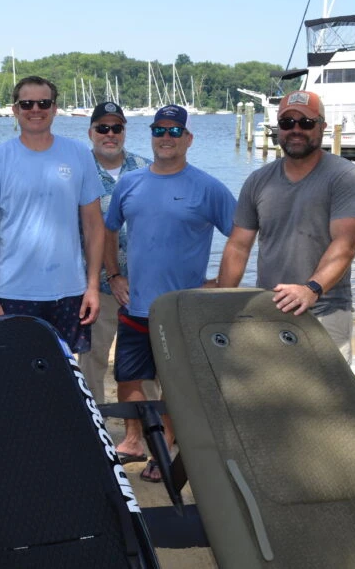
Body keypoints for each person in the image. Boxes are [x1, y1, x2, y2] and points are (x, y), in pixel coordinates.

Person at [104, 104, 235, 482]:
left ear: (188, 139)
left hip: (180, 310)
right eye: (159, 130)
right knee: (128, 378)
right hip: (134, 304)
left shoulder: (207, 187)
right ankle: (132, 441)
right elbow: (110, 229)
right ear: (151, 136)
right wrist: (114, 274)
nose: (166, 138)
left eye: (175, 131)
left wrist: (219, 284)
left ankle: (164, 450)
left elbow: (241, 234)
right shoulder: (129, 183)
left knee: (174, 387)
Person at [217, 90, 355, 361]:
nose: (296, 130)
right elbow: (239, 247)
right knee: (271, 396)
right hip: (269, 312)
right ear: (278, 129)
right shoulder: (258, 180)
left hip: (325, 311)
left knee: (327, 401)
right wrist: (219, 302)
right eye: (287, 123)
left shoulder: (347, 177)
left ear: (322, 127)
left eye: (306, 123)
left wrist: (311, 289)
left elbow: (345, 245)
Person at [0, 75, 105, 355]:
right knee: (17, 379)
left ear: (55, 108)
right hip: (13, 292)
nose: (35, 109)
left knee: (65, 377)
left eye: (43, 103)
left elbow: (93, 226)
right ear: (15, 110)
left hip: (70, 291)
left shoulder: (78, 153)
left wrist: (92, 287)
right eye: (27, 103)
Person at [78, 101, 150, 406]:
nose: (110, 134)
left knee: (147, 365)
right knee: (91, 360)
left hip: (145, 287)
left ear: (124, 131)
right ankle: (94, 425)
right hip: (95, 287)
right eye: (103, 128)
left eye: (116, 128)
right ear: (91, 132)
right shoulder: (78, 172)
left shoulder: (148, 168)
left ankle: (151, 430)